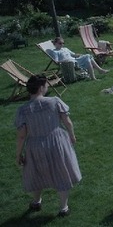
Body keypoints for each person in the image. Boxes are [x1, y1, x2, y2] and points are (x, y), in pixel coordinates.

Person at [15, 75, 81, 217]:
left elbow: (21, 135)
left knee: (36, 172)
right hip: (57, 141)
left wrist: (19, 154)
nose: (47, 87)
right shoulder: (54, 101)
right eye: (46, 85)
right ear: (40, 88)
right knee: (61, 172)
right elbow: (67, 122)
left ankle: (37, 201)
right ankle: (63, 208)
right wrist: (71, 135)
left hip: (35, 145)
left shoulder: (23, 109)